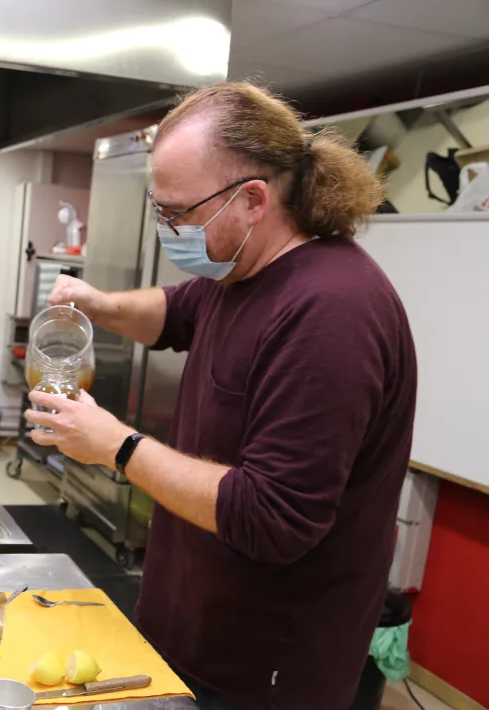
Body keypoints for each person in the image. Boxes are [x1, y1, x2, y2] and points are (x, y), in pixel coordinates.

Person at [27, 82, 416, 710]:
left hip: (266, 666)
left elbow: (274, 515)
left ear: (253, 199)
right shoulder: (241, 269)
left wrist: (117, 447)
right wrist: (99, 304)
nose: (168, 229)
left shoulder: (331, 311)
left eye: (178, 212)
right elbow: (174, 312)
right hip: (190, 624)